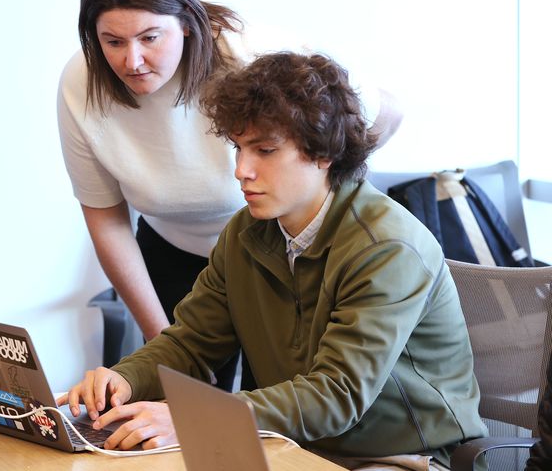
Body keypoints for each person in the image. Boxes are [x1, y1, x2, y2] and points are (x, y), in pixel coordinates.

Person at [59, 51, 486, 469]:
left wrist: (195, 420)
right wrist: (125, 378)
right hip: (291, 448)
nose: (241, 170)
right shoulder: (245, 233)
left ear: (323, 153)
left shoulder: (386, 248)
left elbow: (336, 395)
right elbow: (191, 342)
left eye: (264, 150)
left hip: (402, 455)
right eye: (239, 148)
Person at [57, 0, 404, 392]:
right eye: (113, 42)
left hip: (278, 254)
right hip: (175, 254)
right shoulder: (82, 83)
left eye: (149, 38)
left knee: (279, 405)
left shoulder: (251, 52)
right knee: (179, 401)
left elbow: (385, 113)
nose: (132, 60)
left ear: (185, 22)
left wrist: (323, 186)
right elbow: (106, 218)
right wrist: (164, 344)